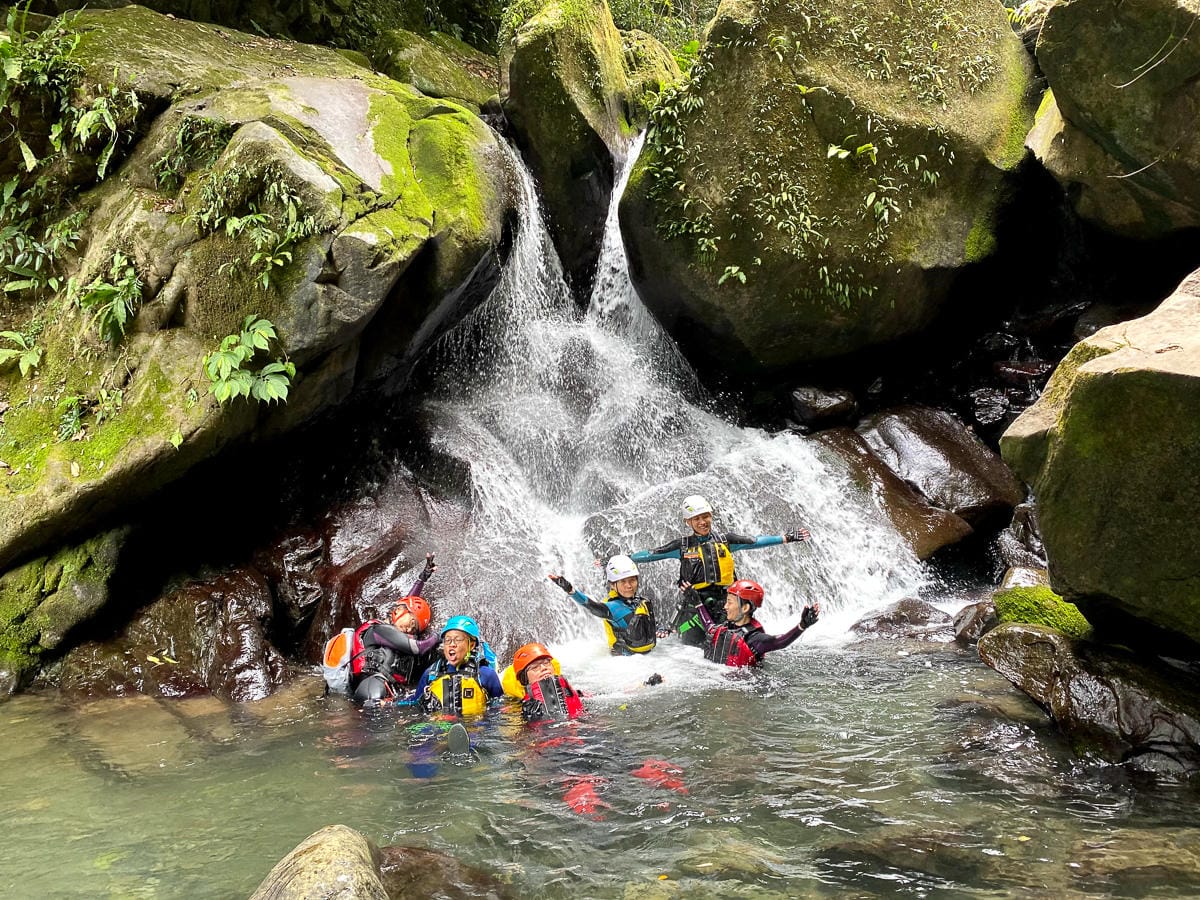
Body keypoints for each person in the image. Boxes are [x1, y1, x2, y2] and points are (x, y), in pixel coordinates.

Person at [627, 494, 810, 646]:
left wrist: (786, 538)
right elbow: (651, 554)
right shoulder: (681, 546)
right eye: (696, 518)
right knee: (692, 651)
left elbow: (755, 541)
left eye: (705, 516)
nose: (702, 522)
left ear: (711, 516)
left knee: (727, 647)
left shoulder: (726, 541)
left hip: (725, 606)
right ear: (688, 521)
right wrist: (622, 561)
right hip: (694, 608)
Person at [323, 553, 439, 703]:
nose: (410, 628)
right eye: (410, 621)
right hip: (371, 686)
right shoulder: (378, 630)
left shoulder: (397, 632)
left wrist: (422, 579)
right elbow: (418, 648)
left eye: (414, 626)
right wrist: (439, 636)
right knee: (377, 715)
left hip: (388, 690)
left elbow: (409, 607)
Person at [547, 555, 660, 655]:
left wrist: (662, 630)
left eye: (632, 580)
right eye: (623, 582)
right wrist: (570, 590)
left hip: (648, 659)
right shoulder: (611, 608)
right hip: (625, 664)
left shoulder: (640, 602)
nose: (629, 586)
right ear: (612, 584)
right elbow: (591, 606)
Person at [695, 579, 819, 667]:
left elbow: (779, 642)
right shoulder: (725, 628)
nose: (725, 606)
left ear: (745, 608)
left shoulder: (754, 639)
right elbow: (709, 626)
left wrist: (802, 626)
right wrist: (696, 602)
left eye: (730, 602)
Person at [414, 615, 504, 717]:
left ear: (471, 645)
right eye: (448, 640)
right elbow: (415, 704)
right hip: (439, 727)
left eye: (458, 639)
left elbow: (499, 707)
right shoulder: (431, 674)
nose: (452, 644)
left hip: (475, 728)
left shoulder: (486, 675)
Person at [506, 642, 585, 722]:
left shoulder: (572, 692)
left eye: (546, 663)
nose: (543, 668)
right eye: (535, 667)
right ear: (525, 679)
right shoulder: (519, 709)